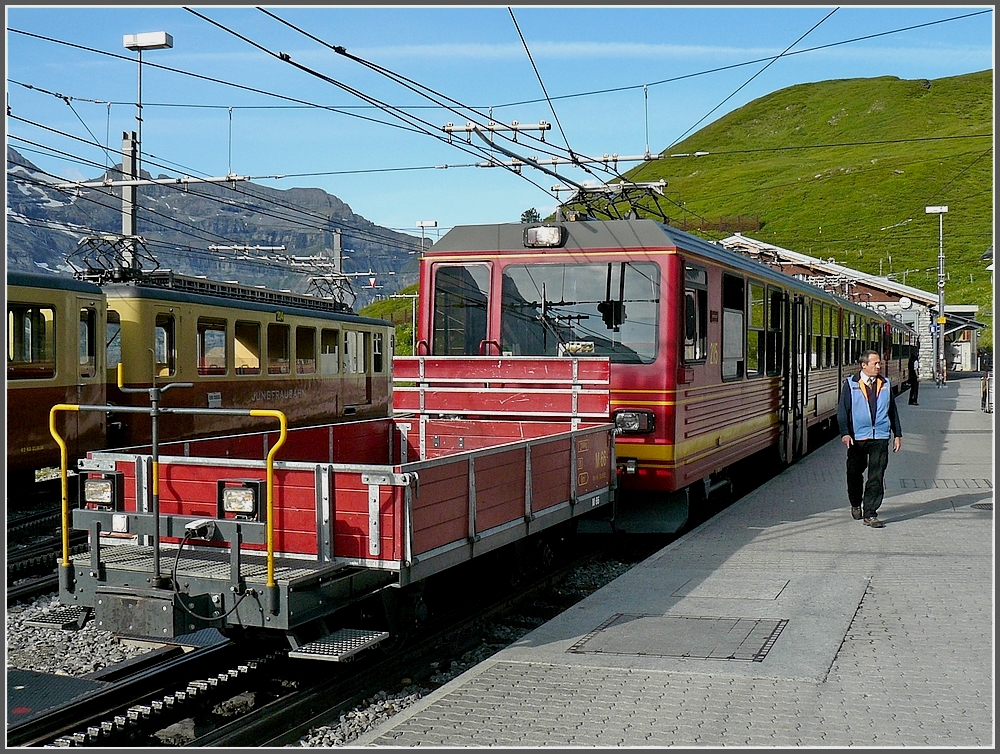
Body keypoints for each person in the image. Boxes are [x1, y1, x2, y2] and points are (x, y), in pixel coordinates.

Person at [837, 350, 902, 528]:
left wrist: (897, 434)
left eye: (879, 363)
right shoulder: (851, 384)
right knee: (854, 473)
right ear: (863, 365)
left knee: (876, 475)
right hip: (857, 438)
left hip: (880, 436)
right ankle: (856, 502)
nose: (879, 366)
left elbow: (892, 411)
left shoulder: (885, 383)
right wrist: (845, 433)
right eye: (875, 363)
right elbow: (843, 411)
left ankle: (871, 513)